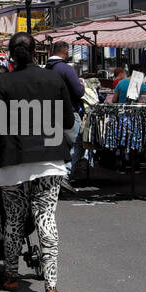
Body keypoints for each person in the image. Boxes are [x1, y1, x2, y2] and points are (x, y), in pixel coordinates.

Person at [0, 31, 73, 292]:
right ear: (37, 52)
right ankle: (51, 287)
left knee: (14, 220)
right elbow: (68, 121)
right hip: (49, 161)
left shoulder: (1, 83)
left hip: (14, 163)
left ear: (11, 54)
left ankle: (10, 275)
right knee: (46, 218)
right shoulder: (54, 78)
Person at [44, 42, 85, 186]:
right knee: (76, 145)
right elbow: (79, 92)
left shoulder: (45, 70)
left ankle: (54, 178)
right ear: (66, 52)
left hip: (48, 113)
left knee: (55, 147)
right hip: (68, 112)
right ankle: (65, 178)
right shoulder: (66, 69)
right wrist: (82, 85)